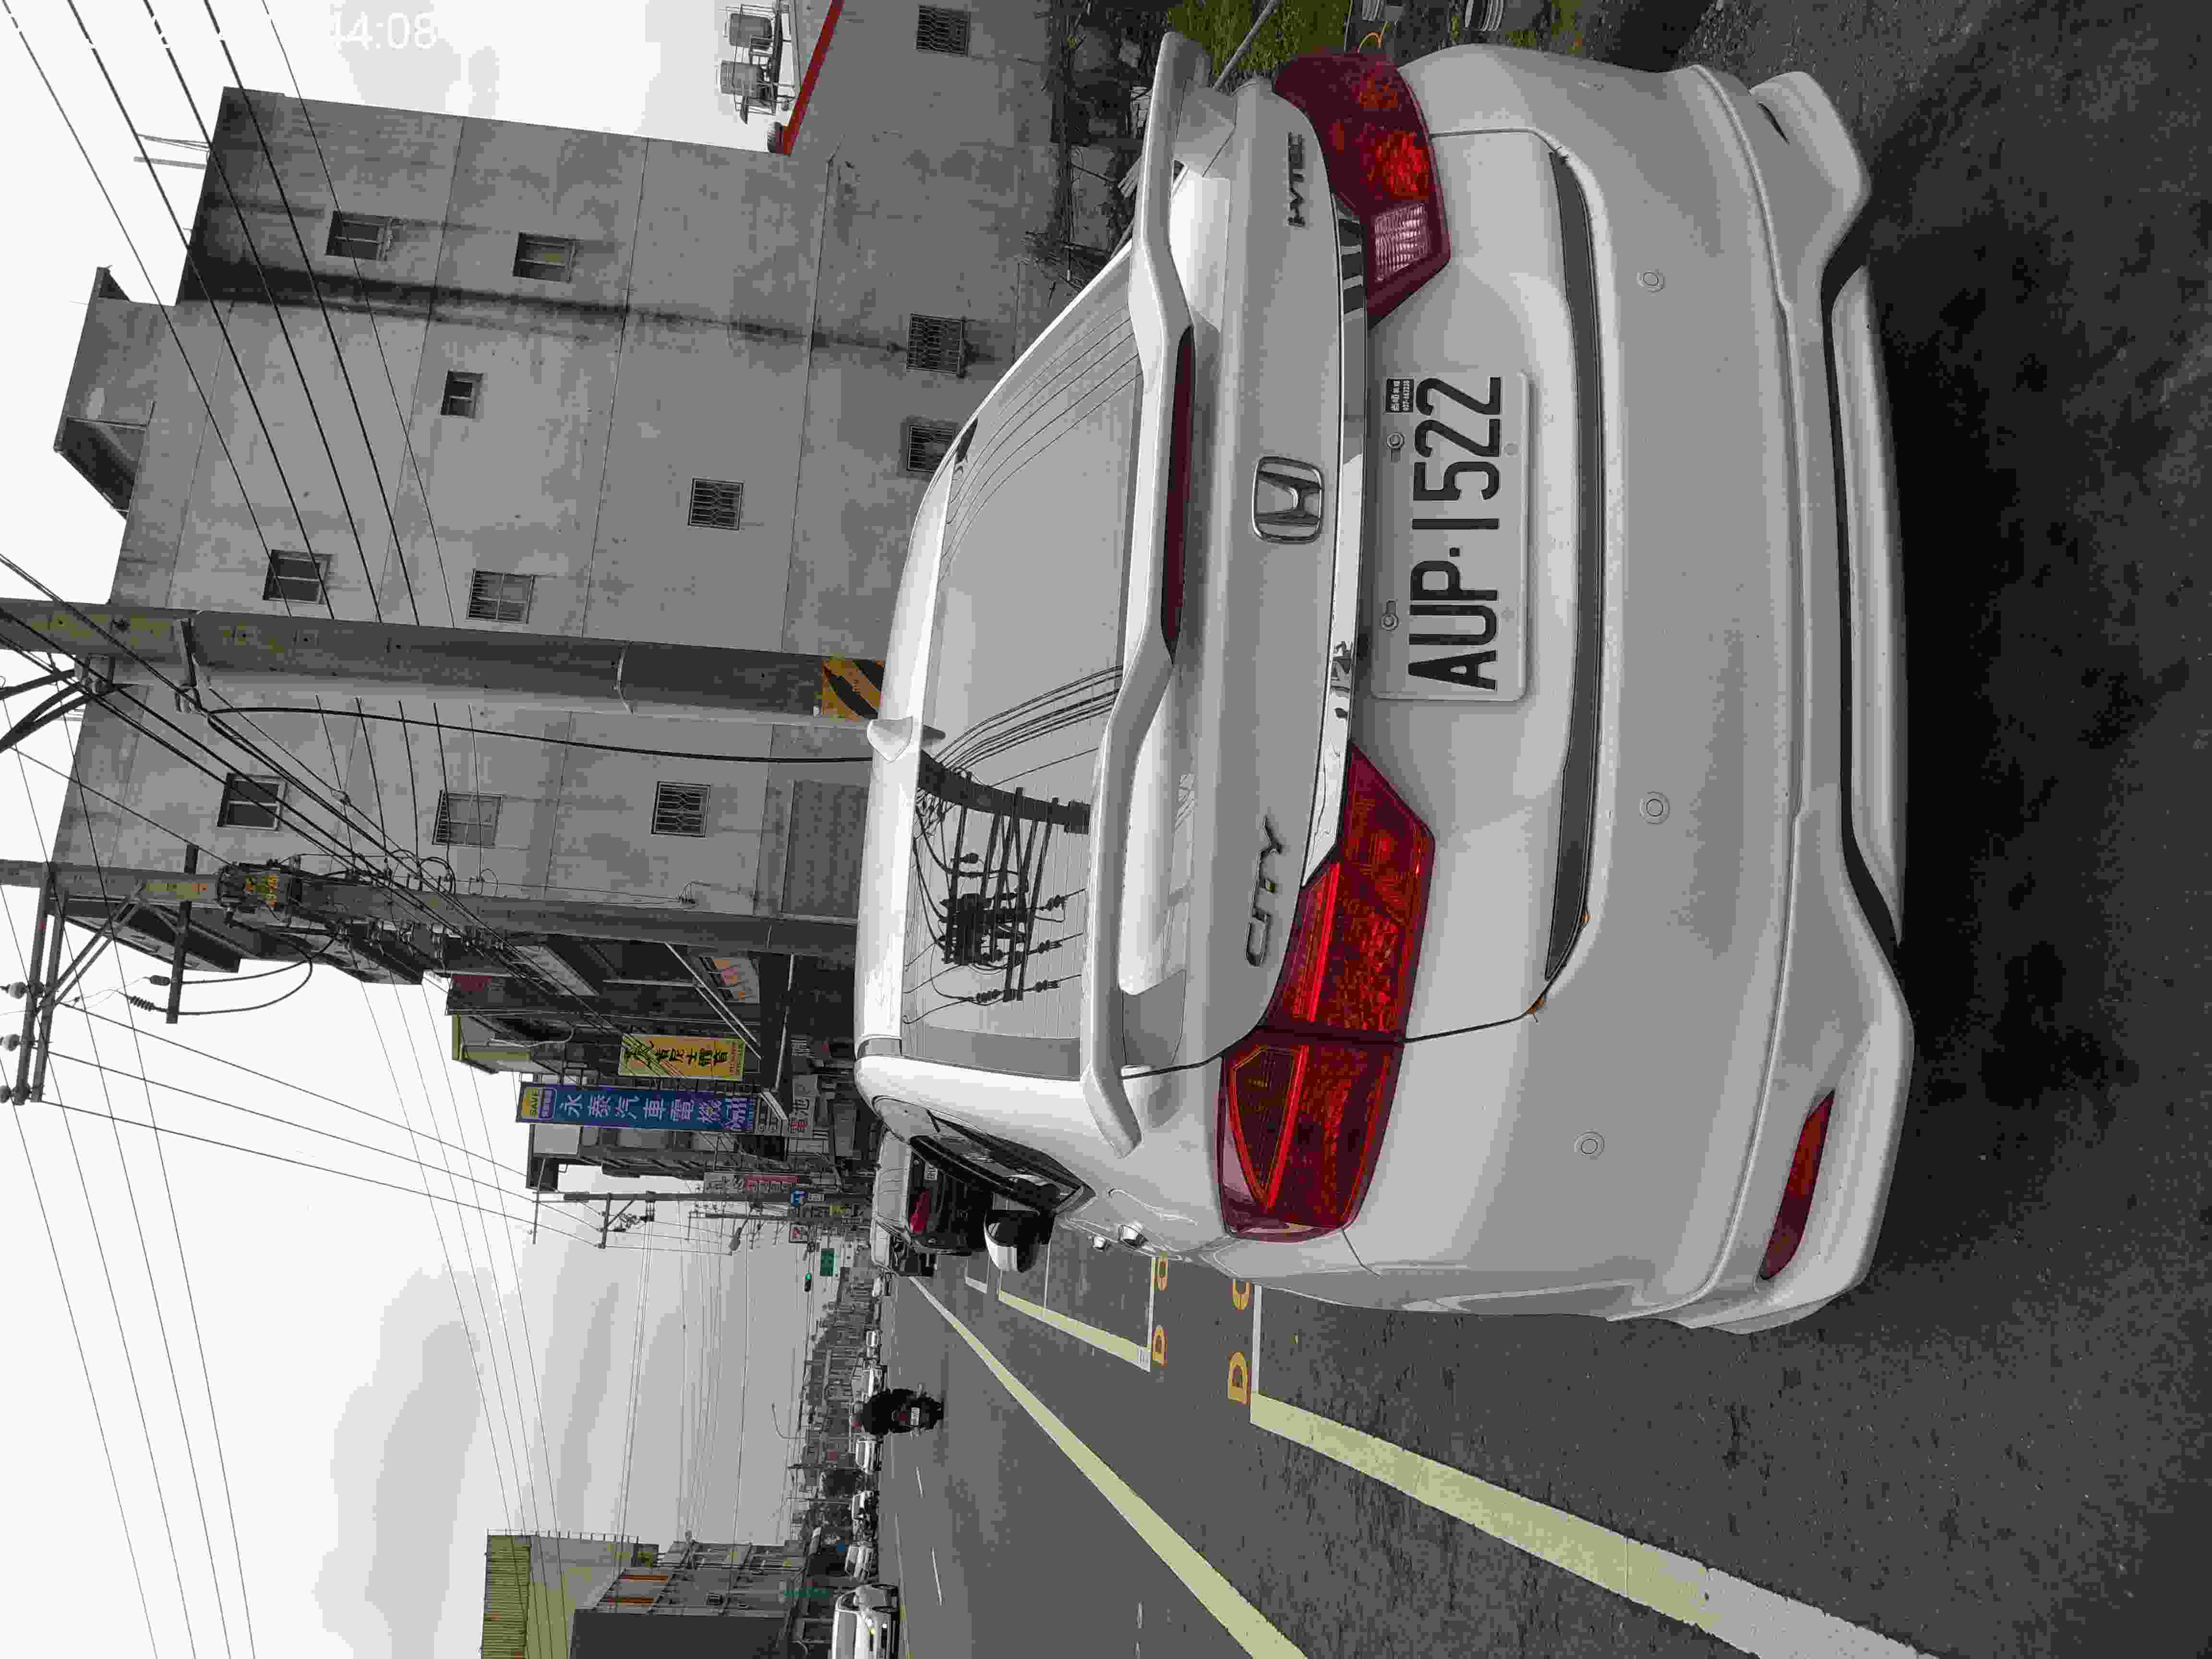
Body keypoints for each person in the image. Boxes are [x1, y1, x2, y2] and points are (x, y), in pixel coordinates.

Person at [852, 1385, 943, 1436]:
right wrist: (887, 1392)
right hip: (896, 1405)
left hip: (895, 1423)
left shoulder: (870, 1429)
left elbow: (884, 1432)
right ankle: (917, 1395)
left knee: (900, 1429)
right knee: (898, 1394)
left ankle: (918, 1427)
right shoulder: (870, 1403)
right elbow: (885, 1395)